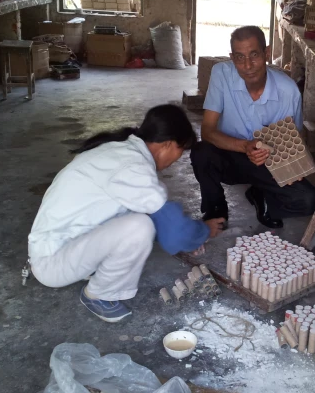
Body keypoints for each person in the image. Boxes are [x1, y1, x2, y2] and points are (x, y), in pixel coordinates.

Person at [28, 104, 224, 322]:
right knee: (139, 228)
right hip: (52, 263)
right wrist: (202, 230)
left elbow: (157, 213)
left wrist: (190, 234)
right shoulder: (132, 168)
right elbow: (174, 234)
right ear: (167, 144)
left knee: (142, 217)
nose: (175, 162)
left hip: (64, 246)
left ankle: (93, 272)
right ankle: (99, 294)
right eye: (179, 153)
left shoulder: (121, 150)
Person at [190, 26, 315, 229]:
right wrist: (245, 147)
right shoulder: (221, 74)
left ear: (266, 53)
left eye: (254, 55)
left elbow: (294, 141)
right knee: (201, 152)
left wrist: (295, 164)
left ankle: (264, 198)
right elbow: (207, 131)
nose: (248, 65)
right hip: (230, 154)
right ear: (232, 58)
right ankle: (216, 208)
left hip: (268, 163)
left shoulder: (288, 91)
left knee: (310, 200)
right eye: (240, 58)